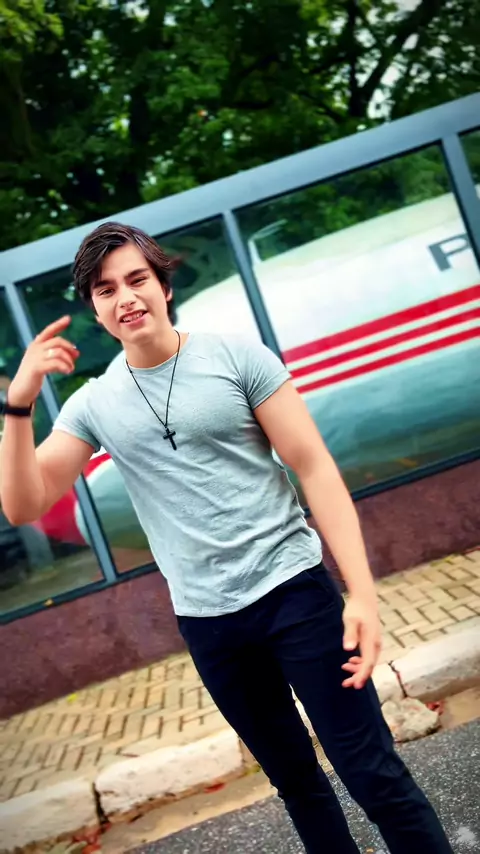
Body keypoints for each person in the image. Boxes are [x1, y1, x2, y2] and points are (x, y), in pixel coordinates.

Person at [0, 223, 453, 854]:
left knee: (371, 772)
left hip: (295, 594)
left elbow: (314, 467)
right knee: (298, 786)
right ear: (95, 310)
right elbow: (24, 503)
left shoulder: (237, 357)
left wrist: (362, 595)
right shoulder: (94, 404)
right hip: (210, 624)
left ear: (163, 285)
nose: (126, 297)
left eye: (136, 279)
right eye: (106, 290)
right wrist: (19, 408)